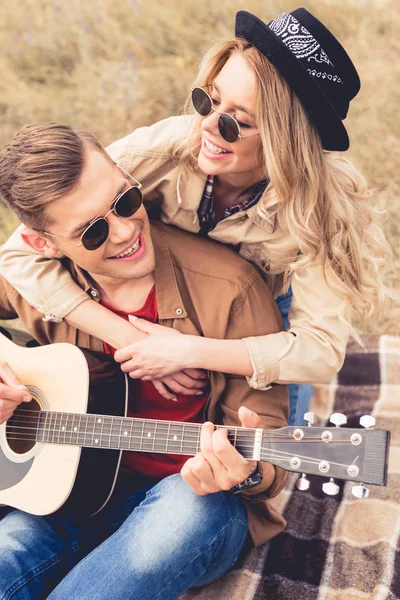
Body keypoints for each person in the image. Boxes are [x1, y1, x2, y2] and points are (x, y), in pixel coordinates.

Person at [0, 8, 390, 425]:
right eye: (210, 99)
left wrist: (190, 352)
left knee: (261, 449)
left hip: (260, 319)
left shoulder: (323, 204)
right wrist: (126, 338)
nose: (206, 125)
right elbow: (21, 254)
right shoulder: (162, 147)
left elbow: (318, 350)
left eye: (236, 122)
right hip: (156, 297)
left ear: (285, 139)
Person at [0, 122, 288, 599]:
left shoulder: (230, 289)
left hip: (191, 497)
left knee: (183, 514)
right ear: (43, 246)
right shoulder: (33, 281)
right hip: (62, 493)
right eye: (91, 232)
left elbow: (273, 442)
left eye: (125, 201)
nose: (125, 231)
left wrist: (251, 472)